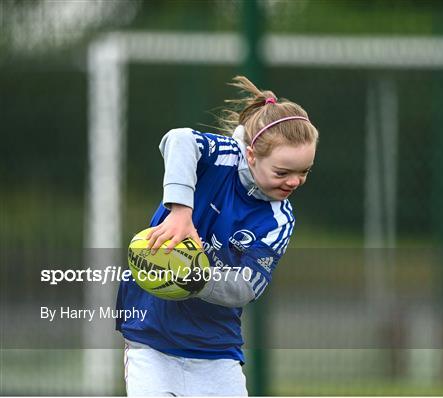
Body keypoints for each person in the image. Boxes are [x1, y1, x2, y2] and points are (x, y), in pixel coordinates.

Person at [116, 76, 319, 396]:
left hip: (215, 351)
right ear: (251, 155)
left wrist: (195, 279)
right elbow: (179, 139)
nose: (294, 181)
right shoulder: (221, 157)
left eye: (304, 172)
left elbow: (247, 285)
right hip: (150, 339)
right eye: (283, 172)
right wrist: (180, 212)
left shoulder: (280, 220)